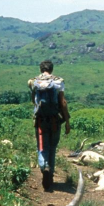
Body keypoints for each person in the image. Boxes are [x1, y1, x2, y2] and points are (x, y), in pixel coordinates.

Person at [28, 60, 71, 191]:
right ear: (51, 70)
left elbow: (33, 101)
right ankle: (50, 174)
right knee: (52, 148)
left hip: (40, 121)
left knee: (42, 147)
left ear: (41, 69)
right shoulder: (58, 82)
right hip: (54, 121)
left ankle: (44, 167)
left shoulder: (33, 82)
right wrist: (67, 122)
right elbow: (62, 103)